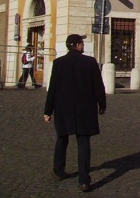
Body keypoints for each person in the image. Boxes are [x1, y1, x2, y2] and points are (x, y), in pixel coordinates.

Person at [43, 34, 106, 193]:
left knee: (62, 138)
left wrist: (47, 111)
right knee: (83, 143)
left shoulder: (58, 63)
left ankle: (58, 170)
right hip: (85, 108)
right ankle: (84, 180)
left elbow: (53, 89)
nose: (83, 46)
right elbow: (98, 86)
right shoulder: (90, 62)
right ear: (78, 45)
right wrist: (102, 105)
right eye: (82, 43)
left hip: (63, 107)